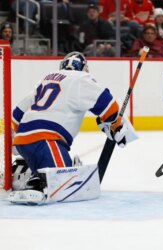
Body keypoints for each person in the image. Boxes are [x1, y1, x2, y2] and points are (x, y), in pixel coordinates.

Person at [11, 52, 130, 202]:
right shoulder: (81, 79)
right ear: (84, 67)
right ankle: (34, 180)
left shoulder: (46, 79)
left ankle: (26, 170)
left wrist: (17, 138)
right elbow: (107, 103)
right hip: (46, 140)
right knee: (63, 182)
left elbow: (16, 114)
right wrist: (116, 124)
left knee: (62, 173)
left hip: (23, 140)